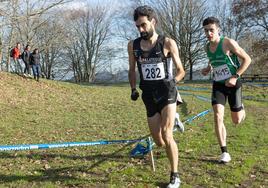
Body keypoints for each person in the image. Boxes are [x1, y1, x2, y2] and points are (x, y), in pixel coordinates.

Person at [128, 5, 185, 188]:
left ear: (153, 22)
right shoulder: (133, 46)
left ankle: (174, 176)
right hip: (148, 94)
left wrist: (173, 81)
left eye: (143, 25)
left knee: (167, 135)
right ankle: (174, 118)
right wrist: (133, 89)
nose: (141, 30)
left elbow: (181, 70)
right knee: (159, 141)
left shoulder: (167, 42)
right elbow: (131, 70)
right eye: (138, 26)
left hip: (167, 92)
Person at [201, 17, 251, 163]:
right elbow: (213, 59)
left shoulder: (228, 42)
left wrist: (235, 76)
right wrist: (208, 68)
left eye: (211, 30)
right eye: (206, 30)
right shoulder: (206, 47)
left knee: (236, 120)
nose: (209, 33)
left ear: (218, 30)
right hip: (218, 84)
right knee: (217, 115)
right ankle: (224, 152)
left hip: (233, 83)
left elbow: (247, 59)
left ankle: (240, 107)